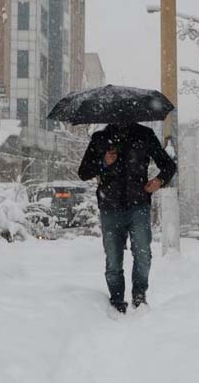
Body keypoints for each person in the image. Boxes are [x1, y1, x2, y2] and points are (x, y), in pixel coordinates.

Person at [78, 122, 177, 314]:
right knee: (113, 259)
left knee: (143, 255)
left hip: (138, 205)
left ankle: (139, 296)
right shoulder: (100, 139)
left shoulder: (144, 135)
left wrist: (159, 180)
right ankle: (117, 301)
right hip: (110, 208)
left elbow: (168, 165)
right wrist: (104, 162)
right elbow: (83, 172)